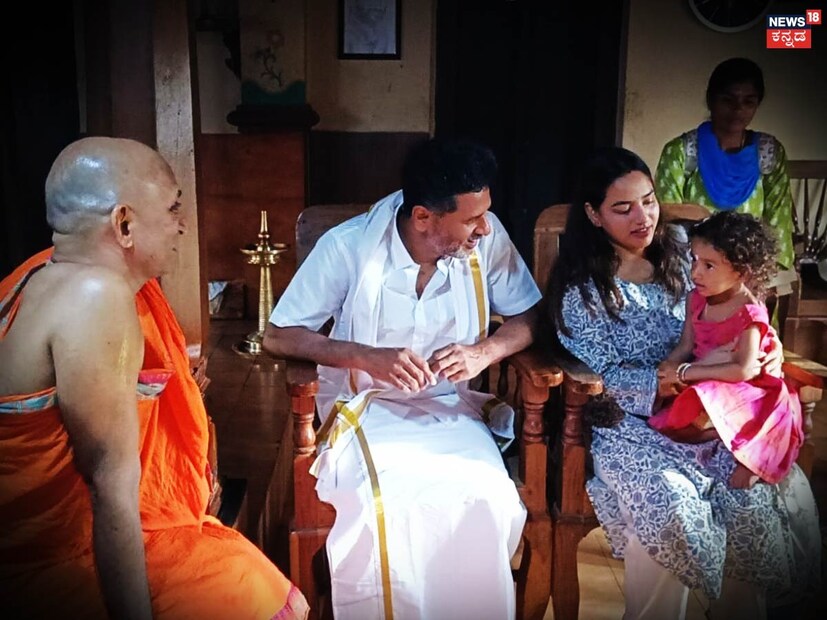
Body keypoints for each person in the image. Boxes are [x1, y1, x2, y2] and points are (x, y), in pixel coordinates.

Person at [0, 137, 307, 619]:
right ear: (124, 223)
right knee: (250, 589)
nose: (181, 225)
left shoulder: (35, 275)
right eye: (172, 208)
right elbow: (110, 487)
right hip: (49, 560)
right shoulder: (95, 295)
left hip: (63, 537)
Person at [264, 138, 540, 620]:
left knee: (487, 497)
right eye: (471, 220)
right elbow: (278, 335)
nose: (484, 228)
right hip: (365, 412)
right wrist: (364, 356)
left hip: (452, 411)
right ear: (423, 217)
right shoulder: (348, 247)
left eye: (485, 214)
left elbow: (531, 315)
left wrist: (485, 352)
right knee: (385, 505)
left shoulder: (487, 238)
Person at [545, 147, 820, 620]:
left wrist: (764, 349)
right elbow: (604, 376)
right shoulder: (584, 290)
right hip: (633, 424)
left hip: (715, 413)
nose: (643, 218)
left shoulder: (687, 251)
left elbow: (741, 312)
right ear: (593, 214)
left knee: (750, 498)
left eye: (649, 201)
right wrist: (674, 379)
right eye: (622, 208)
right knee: (671, 507)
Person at [649, 211, 804, 489]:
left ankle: (745, 451)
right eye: (694, 260)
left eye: (709, 265)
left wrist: (684, 372)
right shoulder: (696, 299)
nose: (695, 272)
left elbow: (743, 370)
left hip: (745, 388)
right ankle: (714, 434)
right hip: (707, 373)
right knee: (673, 416)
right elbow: (686, 345)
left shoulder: (749, 313)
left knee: (705, 394)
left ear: (741, 272)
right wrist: (667, 369)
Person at [654, 57, 797, 310]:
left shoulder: (769, 153)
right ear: (711, 100)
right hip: (694, 271)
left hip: (749, 273)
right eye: (728, 100)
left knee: (750, 327)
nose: (738, 110)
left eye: (748, 102)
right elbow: (666, 216)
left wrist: (756, 276)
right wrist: (703, 266)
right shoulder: (682, 152)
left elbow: (778, 224)